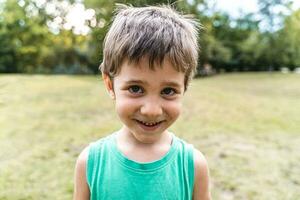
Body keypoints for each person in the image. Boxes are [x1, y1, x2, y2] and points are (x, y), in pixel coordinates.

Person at [73, 4, 211, 200]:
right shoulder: (90, 163)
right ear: (110, 85)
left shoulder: (193, 166)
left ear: (184, 87)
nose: (151, 110)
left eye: (168, 91)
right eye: (136, 89)